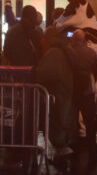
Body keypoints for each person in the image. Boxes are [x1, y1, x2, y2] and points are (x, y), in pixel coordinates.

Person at [35, 27, 76, 164]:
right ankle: (63, 147)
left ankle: (61, 148)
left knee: (58, 119)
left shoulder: (54, 53)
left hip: (58, 93)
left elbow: (44, 73)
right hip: (65, 91)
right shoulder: (66, 49)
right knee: (63, 117)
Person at [69, 29, 97, 163]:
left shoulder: (68, 52)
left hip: (71, 91)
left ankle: (73, 147)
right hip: (87, 91)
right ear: (84, 39)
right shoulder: (90, 52)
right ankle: (92, 150)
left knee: (71, 121)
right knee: (90, 122)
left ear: (73, 39)